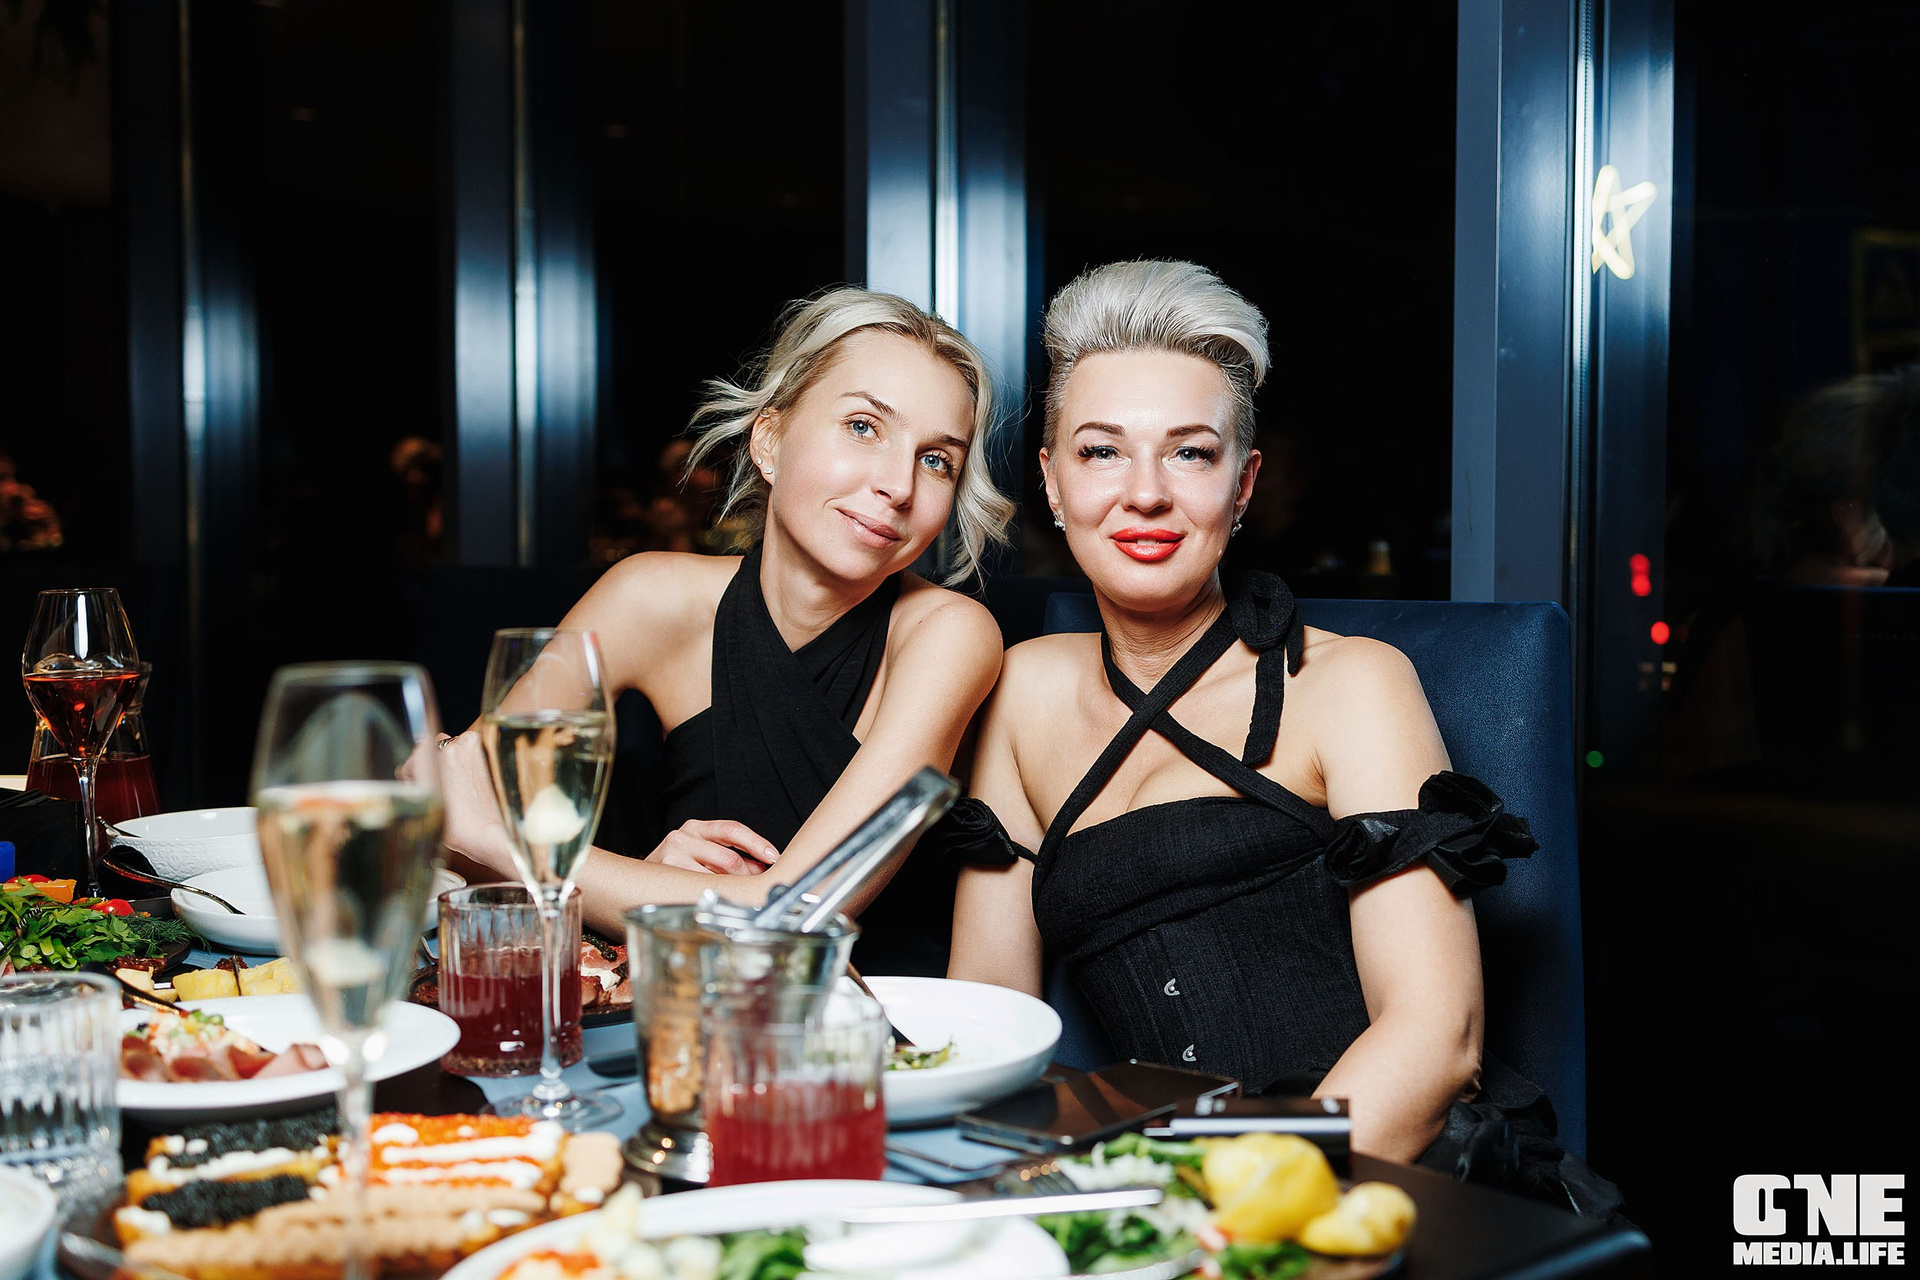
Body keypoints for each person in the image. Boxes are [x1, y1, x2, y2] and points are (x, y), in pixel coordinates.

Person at [947, 260, 1618, 1215]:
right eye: (1101, 452)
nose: (1145, 494)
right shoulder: (1020, 690)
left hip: (1399, 1182)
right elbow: (989, 1025)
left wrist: (1229, 1220)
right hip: (1154, 1196)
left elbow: (1437, 1039)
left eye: (1191, 454)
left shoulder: (1351, 683)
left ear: (1244, 483)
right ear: (1052, 482)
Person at [435, 289, 1014, 959]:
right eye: (863, 426)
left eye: (936, 460)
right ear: (769, 439)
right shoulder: (649, 598)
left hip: (883, 1017)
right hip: (682, 1012)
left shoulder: (949, 635)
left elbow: (793, 915)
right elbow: (448, 808)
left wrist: (519, 850)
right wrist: (647, 885)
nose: (899, 485)